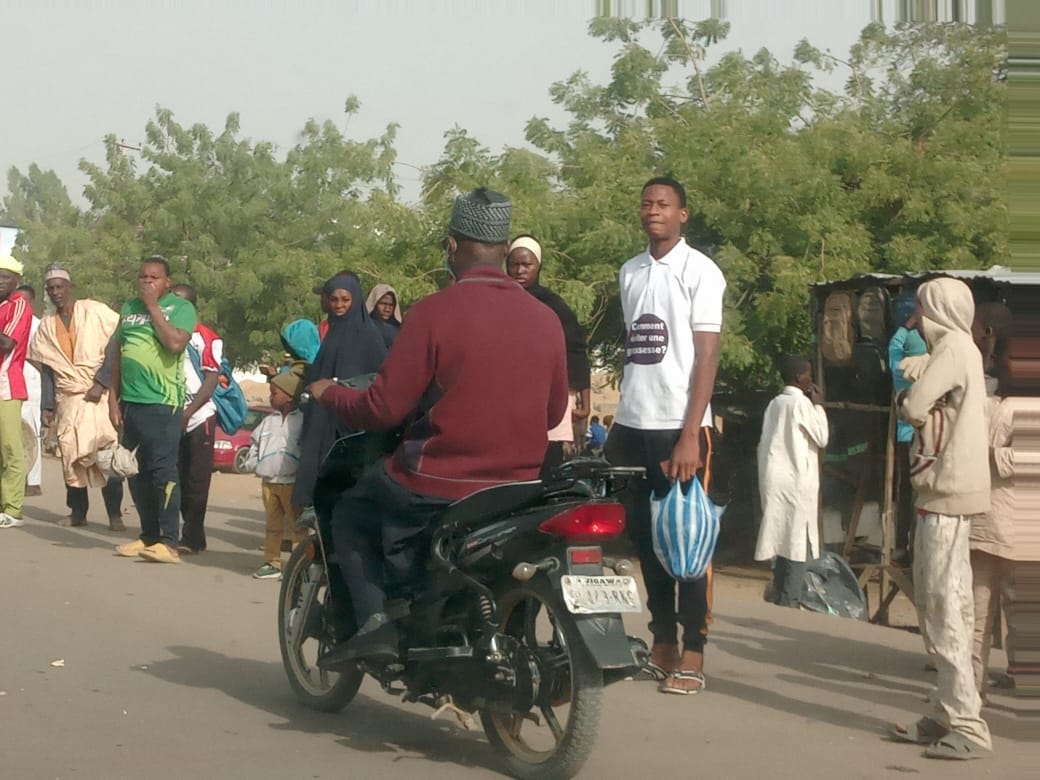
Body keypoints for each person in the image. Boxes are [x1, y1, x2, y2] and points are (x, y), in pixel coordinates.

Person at [308, 188, 568, 666]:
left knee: (350, 511)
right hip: (521, 487)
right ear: (505, 248)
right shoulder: (546, 318)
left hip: (438, 484)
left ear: (452, 246)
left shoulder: (433, 311)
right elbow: (553, 415)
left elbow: (383, 409)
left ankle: (374, 627)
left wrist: (328, 392)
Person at [603, 176, 726, 696]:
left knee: (688, 542)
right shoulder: (631, 272)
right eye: (646, 203)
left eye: (664, 204)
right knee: (648, 542)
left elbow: (706, 356)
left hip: (681, 427)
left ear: (683, 214)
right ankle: (662, 643)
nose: (653, 211)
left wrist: (691, 434)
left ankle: (694, 651)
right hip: (633, 424)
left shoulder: (701, 272)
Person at [889, 278, 991, 760]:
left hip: (944, 492)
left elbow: (913, 406)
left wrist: (912, 381)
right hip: (946, 492)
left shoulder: (951, 349)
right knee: (943, 605)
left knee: (945, 607)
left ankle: (967, 724)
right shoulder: (961, 349)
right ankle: (948, 710)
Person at [109, 256, 197, 564]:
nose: (147, 282)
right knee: (134, 472)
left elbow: (174, 344)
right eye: (143, 277)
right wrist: (112, 398)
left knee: (163, 472)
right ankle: (147, 535)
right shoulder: (128, 308)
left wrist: (153, 307)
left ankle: (169, 541)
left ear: (167, 281)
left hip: (163, 404)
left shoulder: (181, 308)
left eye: (155, 278)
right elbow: (119, 353)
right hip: (130, 404)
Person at [29, 266, 124, 529]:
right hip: (68, 398)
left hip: (99, 398)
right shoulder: (47, 325)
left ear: (71, 287)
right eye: (51, 288)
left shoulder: (94, 310)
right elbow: (48, 365)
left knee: (107, 456)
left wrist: (102, 381)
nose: (56, 292)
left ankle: (114, 514)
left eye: (60, 287)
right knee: (70, 458)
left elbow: (116, 341)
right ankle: (78, 513)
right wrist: (48, 405)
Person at [292, 274, 387, 509]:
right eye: (334, 300)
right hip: (322, 422)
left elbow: (375, 380)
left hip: (348, 426)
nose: (339, 305)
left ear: (356, 300)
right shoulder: (333, 332)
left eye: (345, 299)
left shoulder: (369, 335)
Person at [506, 234, 591, 473]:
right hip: (507, 402)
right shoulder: (498, 301)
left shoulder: (554, 305)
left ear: (538, 266)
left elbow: (576, 351)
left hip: (547, 403)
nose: (520, 270)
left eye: (527, 264)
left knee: (546, 469)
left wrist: (585, 402)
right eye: (514, 264)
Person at [754, 356, 829, 607]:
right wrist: (818, 405)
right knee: (796, 541)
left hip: (774, 479)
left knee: (781, 537)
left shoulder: (774, 404)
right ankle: (790, 599)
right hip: (796, 481)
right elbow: (822, 437)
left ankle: (780, 595)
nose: (811, 380)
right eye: (808, 374)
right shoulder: (801, 404)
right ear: (799, 378)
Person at [969, 302, 1017, 701]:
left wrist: (987, 452)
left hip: (1015, 526)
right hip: (987, 524)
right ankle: (970, 690)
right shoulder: (990, 397)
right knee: (977, 615)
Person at [170, 283, 222, 554]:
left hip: (199, 414)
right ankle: (180, 530)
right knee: (174, 476)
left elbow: (211, 379)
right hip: (170, 411)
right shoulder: (164, 333)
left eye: (180, 303)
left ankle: (192, 536)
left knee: (196, 479)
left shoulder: (206, 337)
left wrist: (188, 412)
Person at [245, 364, 308, 580]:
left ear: (290, 397)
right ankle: (272, 562)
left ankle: (300, 566)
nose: (271, 397)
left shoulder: (302, 421)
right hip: (268, 483)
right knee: (272, 526)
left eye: (274, 393)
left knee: (298, 528)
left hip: (292, 483)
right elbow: (254, 443)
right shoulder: (268, 421)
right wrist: (253, 462)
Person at [889, 314, 929, 560]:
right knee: (923, 495)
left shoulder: (898, 370)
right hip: (927, 441)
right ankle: (918, 547)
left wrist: (906, 326)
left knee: (905, 494)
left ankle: (902, 545)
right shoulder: (931, 375)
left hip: (905, 439)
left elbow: (893, 347)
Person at [0, 255, 33, 528]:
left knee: (11, 448)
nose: (0, 282)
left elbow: (8, 343)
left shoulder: (19, 306)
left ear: (16, 280)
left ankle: (13, 509)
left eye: (5, 276)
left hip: (6, 385)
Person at [16, 284, 43, 497]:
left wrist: (21, 353)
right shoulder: (10, 319)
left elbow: (44, 357)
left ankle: (33, 481)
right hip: (11, 380)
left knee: (32, 431)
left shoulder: (38, 325)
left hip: (32, 381)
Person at [366, 284, 403, 349]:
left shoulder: (399, 331)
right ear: (374, 304)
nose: (387, 309)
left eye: (391, 305)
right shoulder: (364, 327)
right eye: (383, 304)